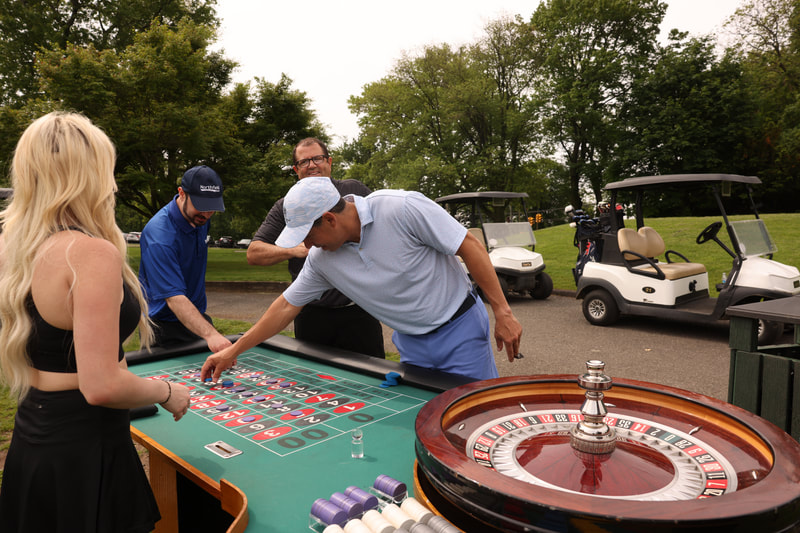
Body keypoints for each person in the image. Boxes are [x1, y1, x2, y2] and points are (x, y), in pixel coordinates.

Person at [0, 111, 191, 532]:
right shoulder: (89, 253)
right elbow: (101, 385)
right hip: (84, 446)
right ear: (90, 174)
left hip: (34, 435)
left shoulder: (11, 246)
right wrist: (167, 391)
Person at [202, 176, 523, 383]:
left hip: (460, 329)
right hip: (411, 341)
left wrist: (503, 312)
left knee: (474, 415)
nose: (308, 245)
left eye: (308, 235)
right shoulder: (321, 260)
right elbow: (285, 307)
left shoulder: (401, 207)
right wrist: (234, 350)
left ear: (329, 219)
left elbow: (468, 244)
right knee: (426, 423)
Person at [247, 138, 385, 358]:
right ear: (296, 169)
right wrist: (293, 249)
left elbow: (381, 230)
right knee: (315, 381)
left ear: (329, 162)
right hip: (311, 314)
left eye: (317, 159)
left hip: (359, 310)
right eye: (304, 162)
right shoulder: (288, 205)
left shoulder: (353, 190)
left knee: (372, 380)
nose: (311, 165)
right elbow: (254, 253)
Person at [138, 165, 232, 352]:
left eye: (211, 208)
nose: (206, 214)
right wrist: (211, 335)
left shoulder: (200, 219)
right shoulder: (160, 237)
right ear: (181, 193)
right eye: (201, 206)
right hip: (162, 327)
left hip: (195, 316)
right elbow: (174, 298)